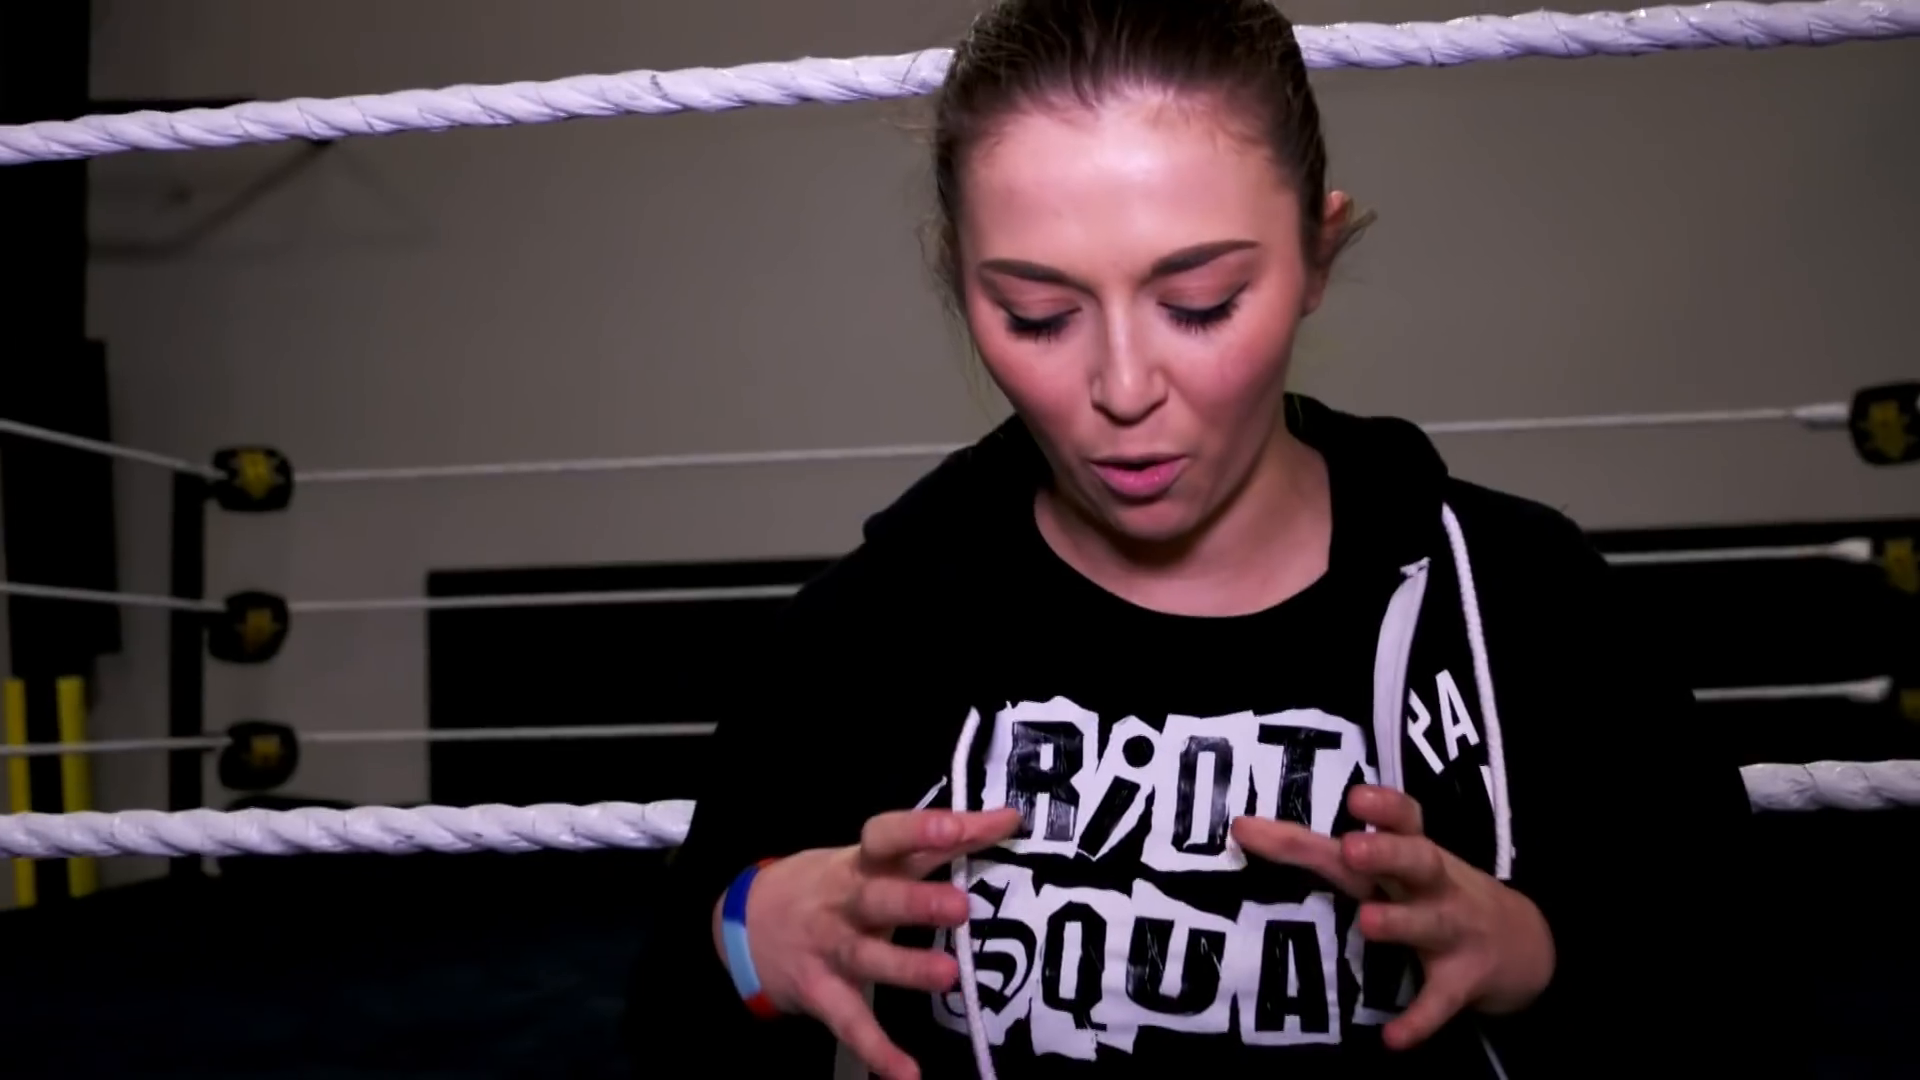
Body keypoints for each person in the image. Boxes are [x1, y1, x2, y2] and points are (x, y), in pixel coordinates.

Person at [626, 1, 1767, 1076]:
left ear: (1318, 254)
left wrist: (1537, 957)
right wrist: (746, 939)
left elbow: (1735, 1000)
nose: (1124, 388)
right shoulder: (877, 626)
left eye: (1202, 302)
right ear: (959, 284)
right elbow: (675, 1021)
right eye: (1037, 316)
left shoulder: (1523, 599)